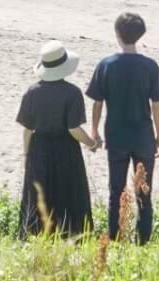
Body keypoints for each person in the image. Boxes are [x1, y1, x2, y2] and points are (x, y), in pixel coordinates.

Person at [86, 11, 159, 243]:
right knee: (144, 193)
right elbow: (156, 105)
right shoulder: (150, 66)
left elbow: (97, 103)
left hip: (116, 136)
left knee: (116, 191)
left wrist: (94, 131)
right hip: (143, 136)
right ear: (140, 35)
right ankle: (143, 242)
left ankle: (115, 239)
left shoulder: (106, 65)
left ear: (117, 34)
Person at [15, 39, 99, 238]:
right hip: (65, 148)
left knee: (39, 194)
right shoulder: (72, 93)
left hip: (39, 147)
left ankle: (36, 234)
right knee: (68, 191)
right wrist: (92, 143)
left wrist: (27, 154)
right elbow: (73, 129)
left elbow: (27, 129)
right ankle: (71, 233)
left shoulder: (32, 92)